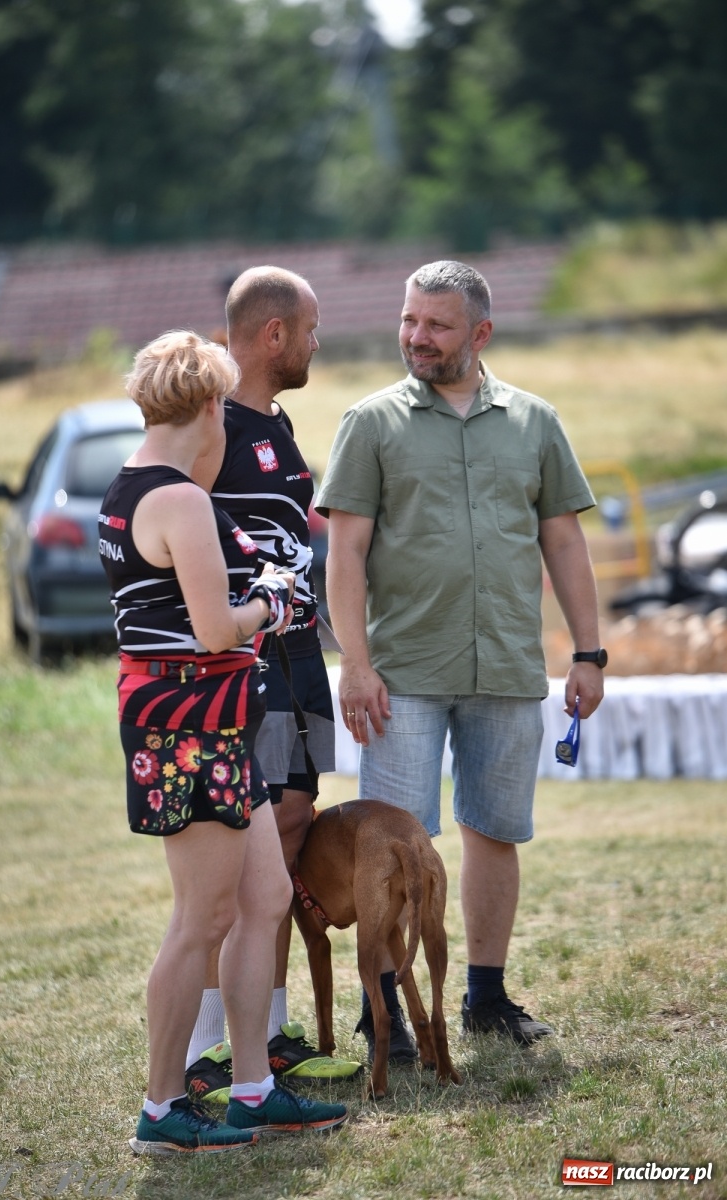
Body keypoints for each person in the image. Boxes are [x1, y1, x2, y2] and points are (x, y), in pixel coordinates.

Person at [316, 260, 605, 1051]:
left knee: (496, 832)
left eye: (435, 325)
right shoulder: (368, 423)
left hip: (507, 666)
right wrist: (356, 662)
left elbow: (563, 540)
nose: (415, 336)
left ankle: (484, 996)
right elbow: (343, 555)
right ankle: (386, 1015)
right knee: (396, 848)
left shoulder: (535, 421)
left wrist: (588, 652)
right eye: (409, 320)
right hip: (400, 675)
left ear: (479, 333)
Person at [99, 329, 347, 1155]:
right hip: (190, 728)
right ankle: (162, 1110)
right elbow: (213, 630)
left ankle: (251, 1090)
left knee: (263, 900)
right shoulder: (179, 499)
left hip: (212, 723)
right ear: (210, 405)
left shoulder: (130, 487)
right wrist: (271, 604)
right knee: (199, 919)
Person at [183, 267, 362, 1102]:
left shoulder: (279, 420)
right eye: (312, 329)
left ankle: (271, 1032)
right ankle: (209, 1049)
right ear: (273, 335)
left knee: (291, 827)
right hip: (245, 666)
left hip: (299, 661)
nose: (318, 344)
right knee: (236, 858)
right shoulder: (207, 421)